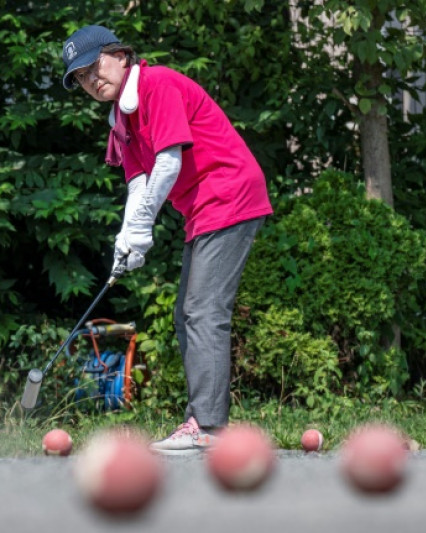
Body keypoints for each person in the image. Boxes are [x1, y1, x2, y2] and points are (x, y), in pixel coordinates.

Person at [61, 25, 273, 455]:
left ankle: (209, 427)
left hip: (230, 193)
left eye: (93, 67)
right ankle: (203, 422)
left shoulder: (155, 84)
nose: (90, 81)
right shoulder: (122, 116)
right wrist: (128, 238)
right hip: (203, 208)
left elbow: (169, 162)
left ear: (120, 55)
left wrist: (142, 227)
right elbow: (139, 181)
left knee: (204, 311)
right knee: (186, 314)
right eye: (80, 78)